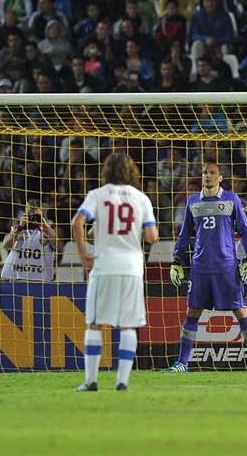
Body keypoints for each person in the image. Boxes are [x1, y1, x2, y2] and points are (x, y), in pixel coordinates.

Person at [71, 151, 159, 392]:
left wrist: (82, 253)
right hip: (131, 266)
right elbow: (152, 237)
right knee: (128, 325)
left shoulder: (97, 195)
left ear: (106, 171)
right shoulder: (141, 198)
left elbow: (77, 221)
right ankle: (122, 382)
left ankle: (91, 381)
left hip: (104, 264)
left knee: (95, 323)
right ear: (131, 172)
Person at [167, 160, 247, 373]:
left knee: (240, 310)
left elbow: (246, 231)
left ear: (220, 178)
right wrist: (177, 261)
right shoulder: (192, 201)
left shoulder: (231, 199)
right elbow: (184, 236)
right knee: (192, 312)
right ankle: (182, 363)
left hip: (226, 266)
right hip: (200, 268)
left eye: (212, 173)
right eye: (205, 173)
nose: (208, 176)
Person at [0, 200, 58, 281]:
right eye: (31, 215)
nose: (34, 219)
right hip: (18, 278)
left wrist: (46, 225)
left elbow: (59, 245)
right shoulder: (18, 229)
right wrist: (20, 227)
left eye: (37, 215)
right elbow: (6, 246)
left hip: (40, 279)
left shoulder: (47, 231)